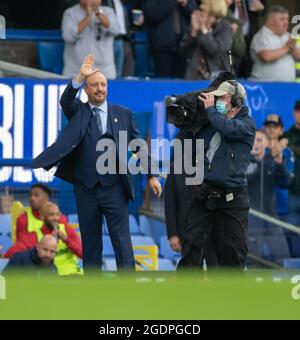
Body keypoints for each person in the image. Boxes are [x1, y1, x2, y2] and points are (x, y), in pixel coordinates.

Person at [32, 54, 162, 272]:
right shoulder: (78, 112)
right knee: (91, 244)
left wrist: (152, 176)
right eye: (94, 85)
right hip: (86, 189)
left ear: (107, 88)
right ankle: (92, 291)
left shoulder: (124, 114)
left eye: (103, 85)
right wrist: (80, 76)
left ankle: (128, 289)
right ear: (86, 89)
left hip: (115, 189)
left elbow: (139, 146)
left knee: (122, 242)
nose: (99, 89)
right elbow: (65, 100)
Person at [177, 80, 256, 270]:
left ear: (237, 101)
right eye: (216, 97)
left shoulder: (247, 125)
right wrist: (189, 113)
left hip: (233, 196)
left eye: (223, 97)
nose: (217, 100)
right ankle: (183, 293)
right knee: (191, 244)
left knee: (235, 249)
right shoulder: (209, 123)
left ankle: (233, 295)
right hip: (204, 193)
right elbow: (189, 140)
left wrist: (210, 110)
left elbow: (228, 129)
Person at [5, 203, 83, 276]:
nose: (56, 218)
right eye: (51, 215)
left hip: (75, 274)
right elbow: (11, 253)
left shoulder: (67, 230)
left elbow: (83, 254)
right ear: (41, 217)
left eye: (57, 214)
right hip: (54, 278)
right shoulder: (34, 236)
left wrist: (67, 240)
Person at [62, 0, 119, 79]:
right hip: (75, 71)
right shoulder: (70, 13)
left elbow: (116, 30)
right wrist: (88, 17)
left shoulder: (108, 11)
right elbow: (68, 37)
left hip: (105, 72)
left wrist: (99, 15)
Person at [180, 0, 233, 80]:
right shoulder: (196, 23)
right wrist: (194, 32)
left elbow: (216, 50)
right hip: (194, 76)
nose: (200, 7)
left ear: (214, 8)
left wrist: (204, 30)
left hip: (218, 77)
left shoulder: (225, 27)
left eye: (204, 5)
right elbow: (182, 51)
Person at [144, 0, 197, 78]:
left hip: (183, 45)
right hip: (162, 46)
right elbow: (152, 14)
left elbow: (195, 14)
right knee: (163, 81)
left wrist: (185, 4)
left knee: (181, 81)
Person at [250, 5, 300, 82]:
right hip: (264, 88)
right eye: (282, 19)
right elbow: (266, 57)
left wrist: (293, 47)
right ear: (271, 21)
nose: (286, 22)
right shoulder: (261, 36)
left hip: (288, 87)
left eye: (287, 19)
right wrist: (287, 47)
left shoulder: (288, 36)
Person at [263, 114, 294, 219]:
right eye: (268, 126)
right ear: (264, 129)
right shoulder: (257, 151)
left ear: (281, 130)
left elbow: (287, 181)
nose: (271, 129)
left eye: (275, 127)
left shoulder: (287, 152)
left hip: (281, 207)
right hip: (261, 207)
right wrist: (272, 153)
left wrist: (279, 161)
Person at [284, 100, 300, 226]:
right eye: (299, 111)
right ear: (294, 113)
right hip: (293, 192)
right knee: (291, 233)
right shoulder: (286, 136)